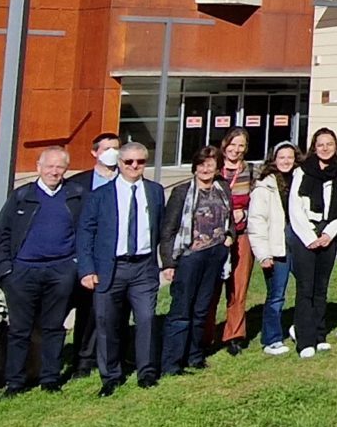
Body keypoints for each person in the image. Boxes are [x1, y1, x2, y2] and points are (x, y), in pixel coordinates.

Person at [76, 141, 168, 395]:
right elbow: (85, 233)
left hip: (142, 267)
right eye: (129, 162)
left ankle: (146, 372)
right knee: (107, 322)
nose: (134, 166)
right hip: (110, 267)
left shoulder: (155, 191)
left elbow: (160, 228)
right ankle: (111, 376)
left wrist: (166, 263)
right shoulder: (101, 195)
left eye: (140, 162)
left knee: (147, 319)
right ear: (119, 163)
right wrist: (86, 269)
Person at [0, 145, 84, 393]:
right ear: (38, 167)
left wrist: (74, 266)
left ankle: (50, 378)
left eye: (59, 167)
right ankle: (15, 381)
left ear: (66, 169)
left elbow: (86, 233)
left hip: (61, 271)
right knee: (19, 330)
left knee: (54, 327)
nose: (54, 172)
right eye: (49, 166)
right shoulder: (22, 196)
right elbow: (3, 235)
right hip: (23, 272)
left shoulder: (75, 196)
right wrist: (5, 271)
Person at [157, 147, 235, 374]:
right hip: (189, 257)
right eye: (201, 164)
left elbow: (230, 220)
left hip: (215, 255)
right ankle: (172, 362)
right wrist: (169, 263)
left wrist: (229, 237)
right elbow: (168, 230)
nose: (205, 169)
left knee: (202, 309)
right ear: (195, 167)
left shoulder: (223, 189)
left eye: (210, 165)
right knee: (182, 310)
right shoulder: (182, 192)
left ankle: (195, 356)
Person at [286, 129, 337, 358]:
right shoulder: (302, 171)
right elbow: (294, 207)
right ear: (314, 147)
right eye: (321, 144)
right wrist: (310, 237)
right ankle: (305, 340)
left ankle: (319, 334)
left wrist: (328, 235)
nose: (325, 148)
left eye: (330, 144)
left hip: (329, 233)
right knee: (306, 288)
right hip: (305, 233)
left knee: (321, 288)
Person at [71, 130, 122, 380]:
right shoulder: (78, 184)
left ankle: (116, 354)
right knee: (88, 311)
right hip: (89, 259)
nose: (112, 153)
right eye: (106, 148)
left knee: (117, 311)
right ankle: (83, 358)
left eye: (116, 147)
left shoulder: (126, 180)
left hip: (119, 258)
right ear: (94, 152)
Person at [247, 141, 299, 354]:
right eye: (282, 157)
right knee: (276, 295)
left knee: (307, 290)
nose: (286, 161)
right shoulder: (264, 186)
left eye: (290, 157)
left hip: (299, 242)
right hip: (276, 246)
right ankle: (272, 339)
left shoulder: (300, 180)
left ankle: (302, 328)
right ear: (274, 160)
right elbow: (256, 221)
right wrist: (263, 254)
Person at [209, 129, 258, 355]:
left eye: (241, 146)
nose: (236, 150)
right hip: (215, 235)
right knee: (211, 286)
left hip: (242, 233)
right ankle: (206, 335)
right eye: (232, 145)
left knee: (238, 286)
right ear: (224, 144)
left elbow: (258, 203)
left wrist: (244, 213)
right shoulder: (214, 170)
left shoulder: (251, 172)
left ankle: (234, 335)